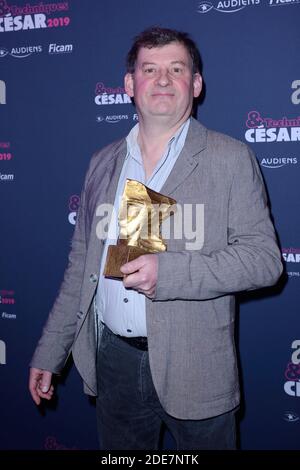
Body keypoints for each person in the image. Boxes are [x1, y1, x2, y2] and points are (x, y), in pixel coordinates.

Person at [29, 26, 283, 450]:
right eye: (150, 69)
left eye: (176, 69)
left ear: (196, 84)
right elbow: (81, 270)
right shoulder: (103, 163)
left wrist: (171, 273)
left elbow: (264, 261)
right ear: (130, 85)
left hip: (196, 368)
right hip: (114, 364)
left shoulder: (231, 158)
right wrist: (49, 353)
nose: (163, 80)